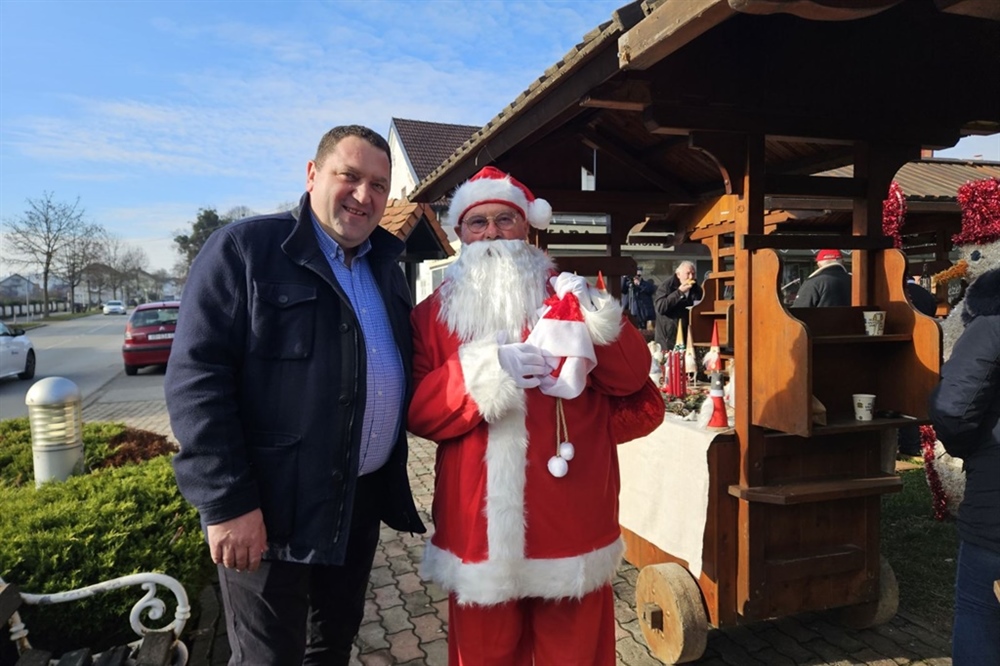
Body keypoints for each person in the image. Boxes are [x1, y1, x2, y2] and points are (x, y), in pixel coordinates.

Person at [164, 125, 425, 664]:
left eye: (379, 184)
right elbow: (197, 378)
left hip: (356, 503)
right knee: (268, 659)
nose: (364, 195)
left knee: (330, 647)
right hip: (270, 512)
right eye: (349, 176)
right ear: (311, 175)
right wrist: (228, 504)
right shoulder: (246, 250)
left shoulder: (386, 267)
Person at [407, 166, 652, 665]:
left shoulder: (567, 297)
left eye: (505, 220)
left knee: (576, 654)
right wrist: (484, 369)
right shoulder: (430, 316)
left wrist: (597, 314)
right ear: (459, 235)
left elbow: (631, 378)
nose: (492, 233)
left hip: (572, 515)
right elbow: (419, 413)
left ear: (528, 228)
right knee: (483, 655)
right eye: (478, 223)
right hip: (477, 526)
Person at [928, 268, 1000, 666]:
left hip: (995, 514)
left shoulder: (990, 328)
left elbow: (952, 412)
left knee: (980, 614)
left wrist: (971, 450)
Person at [653, 260, 703, 351]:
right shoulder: (667, 286)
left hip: (687, 334)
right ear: (678, 274)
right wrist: (679, 292)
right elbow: (660, 307)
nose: (691, 277)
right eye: (688, 274)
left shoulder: (696, 289)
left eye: (693, 274)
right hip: (668, 337)